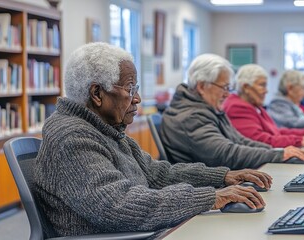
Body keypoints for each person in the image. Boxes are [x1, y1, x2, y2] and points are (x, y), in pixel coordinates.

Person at [34, 43, 272, 238]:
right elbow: (118, 205)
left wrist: (223, 177)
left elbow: (157, 174)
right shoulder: (71, 136)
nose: (137, 98)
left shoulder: (106, 129)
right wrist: (210, 197)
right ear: (97, 94)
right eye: (130, 88)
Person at [160, 54, 304, 170]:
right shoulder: (191, 117)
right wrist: (277, 154)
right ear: (202, 87)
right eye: (224, 87)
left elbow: (240, 141)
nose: (227, 94)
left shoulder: (208, 109)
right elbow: (226, 154)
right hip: (211, 190)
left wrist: (279, 152)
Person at [223, 64, 304, 148]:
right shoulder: (237, 107)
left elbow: (276, 131)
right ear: (246, 87)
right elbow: (259, 140)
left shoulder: (255, 106)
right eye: (262, 85)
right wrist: (300, 140)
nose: (266, 90)